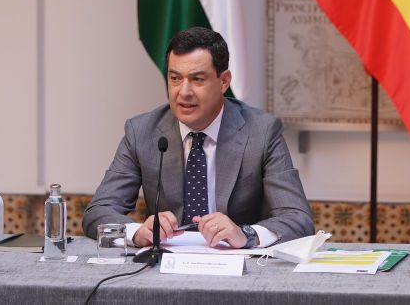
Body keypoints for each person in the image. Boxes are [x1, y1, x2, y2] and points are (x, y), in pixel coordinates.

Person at [83, 27, 314, 249]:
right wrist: (136, 232)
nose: (183, 92)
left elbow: (298, 219)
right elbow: (98, 212)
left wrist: (246, 234)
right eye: (175, 78)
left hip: (240, 271)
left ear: (224, 81)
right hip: (164, 271)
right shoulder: (142, 131)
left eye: (197, 79)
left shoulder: (261, 132)